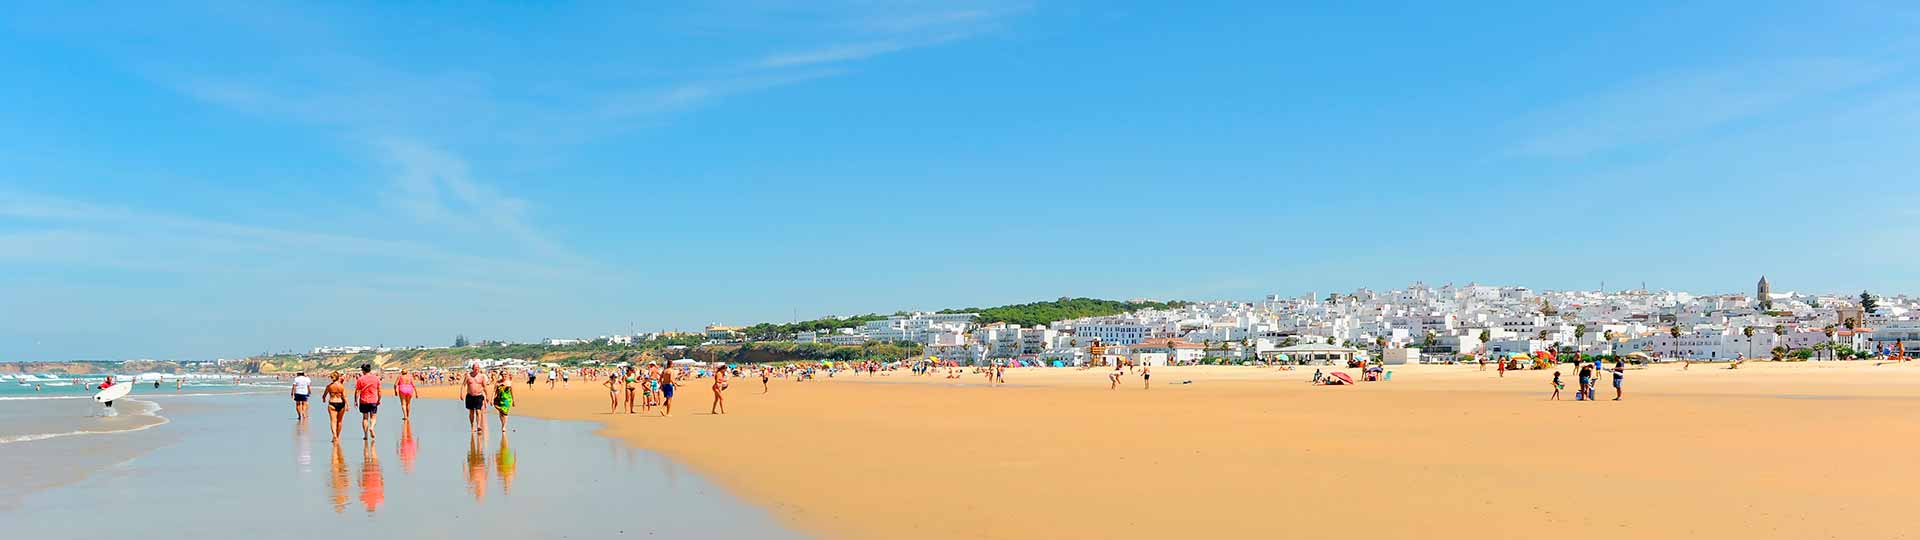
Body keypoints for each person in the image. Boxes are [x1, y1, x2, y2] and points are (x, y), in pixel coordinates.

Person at [354, 364, 381, 440]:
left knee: (365, 418)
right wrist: (379, 400)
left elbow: (357, 391)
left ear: (363, 370)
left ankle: (365, 435)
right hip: (373, 400)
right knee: (373, 417)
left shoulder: (360, 379)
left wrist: (355, 401)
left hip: (363, 400)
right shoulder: (376, 378)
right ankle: (371, 427)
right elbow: (379, 390)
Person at [462, 364, 489, 434]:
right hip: (470, 395)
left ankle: (479, 426)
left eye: (478, 368)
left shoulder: (482, 376)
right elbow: (463, 385)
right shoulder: (468, 376)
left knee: (478, 410)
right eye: (475, 368)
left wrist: (487, 396)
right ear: (472, 368)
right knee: (471, 412)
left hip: (479, 395)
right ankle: (472, 426)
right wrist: (461, 394)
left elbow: (485, 386)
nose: (476, 369)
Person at [324, 372, 348, 441]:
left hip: (332, 403)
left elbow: (324, 395)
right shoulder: (341, 386)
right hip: (341, 403)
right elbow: (345, 396)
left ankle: (334, 435)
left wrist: (324, 399)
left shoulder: (329, 386)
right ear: (338, 377)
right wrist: (347, 405)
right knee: (339, 421)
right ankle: (337, 436)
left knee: (333, 421)